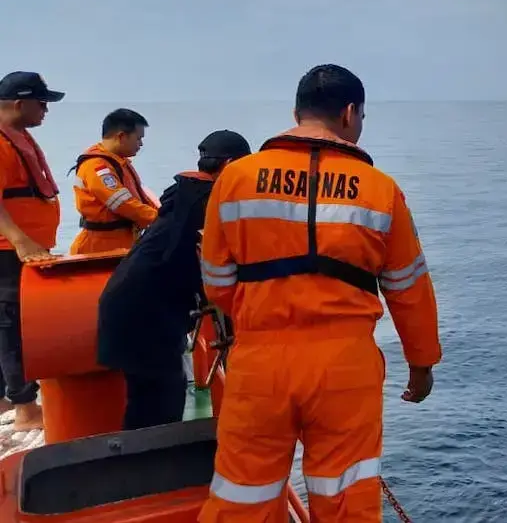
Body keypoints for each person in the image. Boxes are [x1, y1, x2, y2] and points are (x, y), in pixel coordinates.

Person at [198, 64, 441, 521]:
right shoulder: (381, 190)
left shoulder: (234, 179)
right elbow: (408, 288)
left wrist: (258, 321)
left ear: (295, 112)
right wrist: (421, 364)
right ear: (350, 113)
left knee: (242, 493)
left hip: (259, 363)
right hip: (344, 368)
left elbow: (217, 279)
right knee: (347, 495)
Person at [96, 130, 252, 431]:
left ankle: (141, 466)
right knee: (161, 401)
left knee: (152, 397)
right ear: (231, 165)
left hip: (128, 304)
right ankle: (147, 471)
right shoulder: (209, 204)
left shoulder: (186, 194)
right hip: (145, 314)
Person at [0, 71, 65, 431]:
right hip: (9, 249)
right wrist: (22, 241)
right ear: (18, 103)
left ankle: (7, 399)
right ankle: (25, 408)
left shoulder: (18, 138)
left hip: (21, 249)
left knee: (8, 323)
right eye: (41, 103)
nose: (46, 110)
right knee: (10, 325)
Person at [68, 108, 158, 255]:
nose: (140, 144)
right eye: (138, 138)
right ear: (122, 136)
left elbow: (139, 198)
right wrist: (160, 220)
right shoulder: (97, 167)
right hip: (100, 247)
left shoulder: (119, 163)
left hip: (123, 243)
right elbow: (123, 203)